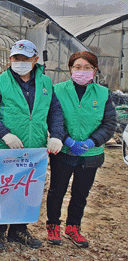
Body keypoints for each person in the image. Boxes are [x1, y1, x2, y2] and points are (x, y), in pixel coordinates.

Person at [0, 40, 64, 251]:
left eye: (25, 59)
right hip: (5, 148)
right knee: (1, 189)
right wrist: (4, 134)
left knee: (28, 190)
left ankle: (19, 229)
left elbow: (55, 112)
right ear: (10, 59)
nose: (20, 62)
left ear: (35, 60)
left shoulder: (46, 83)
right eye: (16, 58)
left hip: (34, 150)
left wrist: (56, 135)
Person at [46, 51, 116, 248]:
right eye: (77, 67)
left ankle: (73, 227)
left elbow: (109, 123)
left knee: (80, 193)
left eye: (87, 68)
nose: (82, 71)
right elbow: (52, 118)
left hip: (90, 154)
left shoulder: (102, 94)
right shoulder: (58, 90)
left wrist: (93, 141)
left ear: (95, 70)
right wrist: (66, 140)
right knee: (56, 190)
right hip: (64, 151)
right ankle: (53, 225)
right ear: (70, 69)